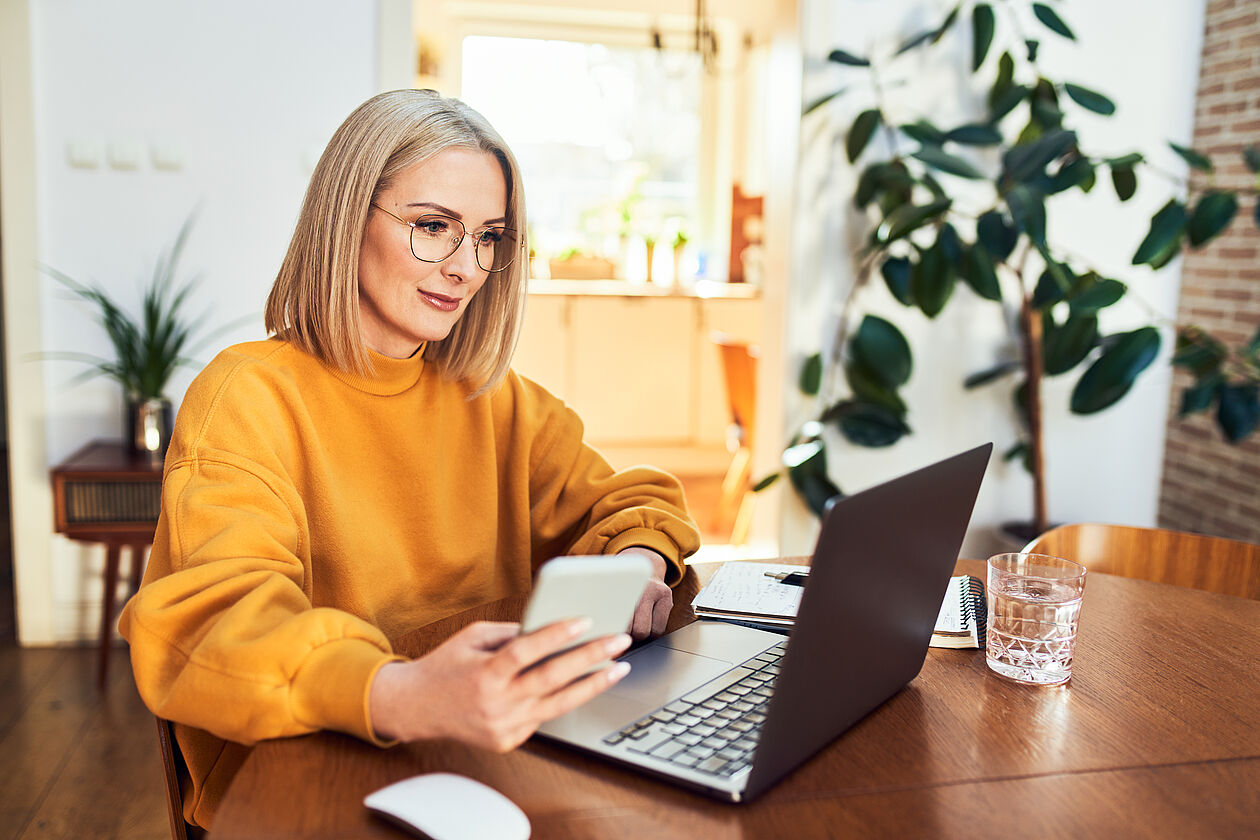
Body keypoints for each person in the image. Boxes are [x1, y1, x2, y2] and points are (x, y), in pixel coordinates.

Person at [119, 89, 701, 830]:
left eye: (489, 237)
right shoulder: (246, 397)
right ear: (345, 218)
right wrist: (402, 691)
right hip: (307, 773)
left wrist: (645, 561)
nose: (466, 266)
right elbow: (215, 625)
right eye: (434, 227)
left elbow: (629, 500)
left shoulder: (492, 399)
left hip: (483, 756)